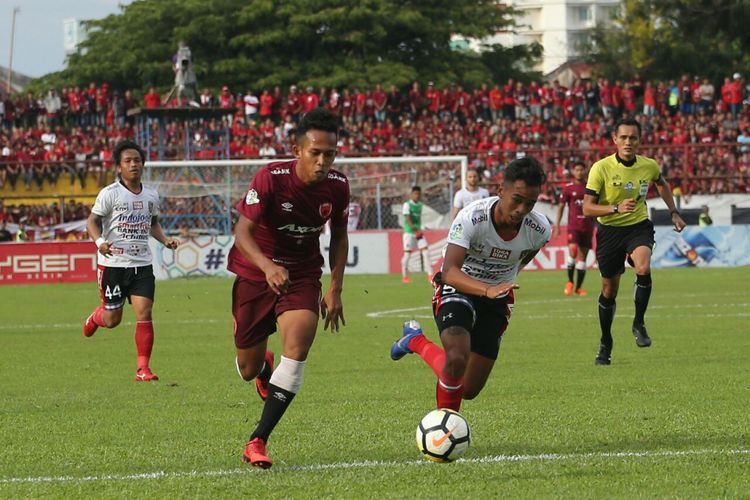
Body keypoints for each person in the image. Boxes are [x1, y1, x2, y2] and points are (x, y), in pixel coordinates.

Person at [228, 107, 349, 469]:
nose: (323, 161)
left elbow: (339, 236)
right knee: (247, 368)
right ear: (298, 151)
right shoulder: (270, 178)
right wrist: (267, 267)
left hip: (301, 274)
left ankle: (257, 440)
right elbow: (242, 233)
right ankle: (263, 371)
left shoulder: (338, 187)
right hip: (254, 272)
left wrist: (336, 288)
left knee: (297, 347)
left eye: (330, 153)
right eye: (316, 153)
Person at [390, 157, 550, 412]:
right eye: (517, 199)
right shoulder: (472, 218)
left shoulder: (539, 230)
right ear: (501, 191)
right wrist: (486, 288)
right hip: (459, 285)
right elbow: (450, 270)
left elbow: (523, 257)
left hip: (497, 297)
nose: (521, 209)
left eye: (530, 203)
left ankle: (415, 341)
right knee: (456, 357)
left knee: (467, 388)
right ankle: (444, 431)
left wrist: (501, 283)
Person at [583, 118, 686, 366]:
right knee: (609, 290)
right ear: (615, 140)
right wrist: (615, 208)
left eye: (634, 138)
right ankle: (606, 341)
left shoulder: (648, 166)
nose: (629, 142)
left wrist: (673, 211)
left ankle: (638, 322)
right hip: (609, 231)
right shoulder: (601, 168)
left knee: (643, 267)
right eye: (624, 137)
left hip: (638, 227)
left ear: (640, 140)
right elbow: (587, 208)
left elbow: (661, 183)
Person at [82, 140, 180, 381]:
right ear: (119, 167)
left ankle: (142, 369)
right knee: (112, 319)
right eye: (128, 161)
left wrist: (164, 240)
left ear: (143, 164)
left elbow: (153, 222)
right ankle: (97, 317)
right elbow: (92, 222)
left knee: (144, 312)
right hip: (113, 265)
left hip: (142, 263)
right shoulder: (109, 194)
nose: (133, 164)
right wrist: (100, 243)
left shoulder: (151, 195)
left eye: (137, 160)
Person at [553, 161, 595, 296]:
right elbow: (560, 207)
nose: (579, 172)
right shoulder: (568, 188)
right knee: (573, 250)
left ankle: (579, 288)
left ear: (585, 171)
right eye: (577, 170)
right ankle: (570, 282)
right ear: (573, 171)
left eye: (581, 170)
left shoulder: (591, 187)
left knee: (583, 258)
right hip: (574, 226)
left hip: (588, 227)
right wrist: (557, 225)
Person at [401, 185, 434, 283]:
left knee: (426, 252)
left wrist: (422, 227)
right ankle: (405, 276)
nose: (417, 196)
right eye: (415, 194)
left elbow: (419, 219)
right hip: (409, 233)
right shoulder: (407, 205)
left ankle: (430, 275)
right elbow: (407, 219)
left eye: (419, 194)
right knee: (407, 255)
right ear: (411, 194)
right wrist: (415, 229)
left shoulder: (420, 205)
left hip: (418, 232)